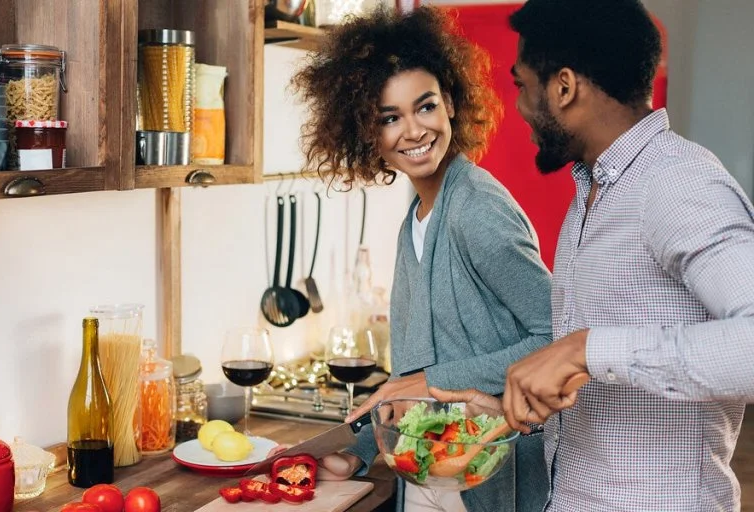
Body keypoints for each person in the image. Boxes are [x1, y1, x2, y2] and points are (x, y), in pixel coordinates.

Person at [431, 0, 754, 510]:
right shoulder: (595, 191)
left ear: (563, 86)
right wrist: (500, 410)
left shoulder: (676, 183)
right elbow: (605, 391)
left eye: (520, 84)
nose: (516, 106)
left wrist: (586, 349)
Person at [290, 6, 553, 512]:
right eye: (390, 118)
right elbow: (413, 385)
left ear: (450, 103)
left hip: (488, 479)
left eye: (425, 107)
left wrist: (432, 382)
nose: (413, 131)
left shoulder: (476, 210)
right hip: (430, 479)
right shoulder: (417, 216)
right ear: (369, 134)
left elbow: (556, 336)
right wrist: (358, 452)